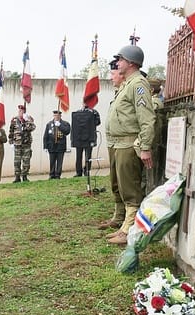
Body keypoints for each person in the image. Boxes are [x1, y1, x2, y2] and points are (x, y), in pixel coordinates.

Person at [105, 45, 155, 245]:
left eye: (121, 60)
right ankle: (122, 222)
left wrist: (145, 147)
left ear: (132, 63)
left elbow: (146, 118)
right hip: (117, 143)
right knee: (119, 184)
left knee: (130, 188)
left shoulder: (139, 84)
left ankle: (129, 230)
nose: (118, 63)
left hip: (128, 144)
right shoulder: (127, 84)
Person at [98, 58, 126, 231]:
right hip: (114, 143)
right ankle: (119, 215)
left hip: (124, 144)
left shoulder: (131, 89)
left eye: (113, 73)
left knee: (126, 184)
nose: (110, 77)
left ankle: (127, 221)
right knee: (115, 181)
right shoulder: (119, 93)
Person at [71, 105, 101, 177]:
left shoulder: (94, 112)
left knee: (88, 156)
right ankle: (79, 172)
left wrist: (93, 116)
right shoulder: (78, 112)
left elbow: (98, 122)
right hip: (79, 138)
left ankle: (87, 171)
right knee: (78, 156)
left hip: (89, 137)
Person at [8, 104, 36, 182]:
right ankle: (17, 177)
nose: (20, 112)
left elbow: (32, 128)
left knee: (26, 161)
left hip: (26, 144)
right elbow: (11, 131)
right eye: (19, 111)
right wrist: (11, 142)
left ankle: (24, 176)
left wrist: (26, 121)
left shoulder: (29, 119)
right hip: (17, 144)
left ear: (24, 112)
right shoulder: (14, 120)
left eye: (22, 111)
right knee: (17, 161)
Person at [43, 110, 71, 179]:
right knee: (52, 161)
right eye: (55, 115)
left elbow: (67, 131)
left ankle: (58, 174)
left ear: (60, 116)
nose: (56, 117)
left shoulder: (65, 123)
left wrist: (60, 125)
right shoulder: (49, 124)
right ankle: (52, 174)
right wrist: (45, 146)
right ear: (53, 116)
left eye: (58, 115)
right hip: (51, 146)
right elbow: (46, 136)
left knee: (59, 161)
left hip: (60, 146)